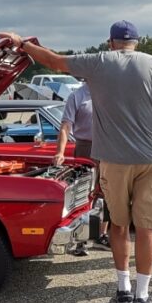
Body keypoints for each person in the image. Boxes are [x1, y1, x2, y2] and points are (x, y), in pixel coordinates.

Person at [0, 22, 152, 303]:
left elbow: (54, 61)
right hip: (151, 159)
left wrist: (21, 43)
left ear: (111, 42)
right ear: (136, 43)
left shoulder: (99, 62)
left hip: (113, 161)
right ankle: (142, 295)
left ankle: (123, 289)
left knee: (117, 225)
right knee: (146, 229)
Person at [53, 84, 110, 255]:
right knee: (84, 194)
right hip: (85, 148)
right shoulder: (77, 96)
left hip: (108, 148)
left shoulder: (109, 91)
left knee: (108, 192)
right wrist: (60, 152)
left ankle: (101, 234)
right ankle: (81, 240)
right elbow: (65, 126)